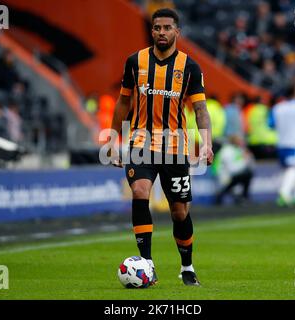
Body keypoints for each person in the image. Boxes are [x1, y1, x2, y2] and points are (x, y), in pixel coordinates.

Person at [107, 8, 213, 286]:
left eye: (167, 28)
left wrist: (207, 143)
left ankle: (187, 266)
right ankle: (147, 263)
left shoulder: (190, 67)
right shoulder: (135, 62)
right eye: (157, 28)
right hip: (140, 142)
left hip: (176, 146)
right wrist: (112, 139)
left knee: (179, 211)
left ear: (177, 32)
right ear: (151, 31)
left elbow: (200, 108)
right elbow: (123, 103)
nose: (161, 33)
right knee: (140, 191)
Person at [213, 135, 254, 205]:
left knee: (247, 174)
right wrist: (245, 161)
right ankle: (221, 194)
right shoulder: (227, 151)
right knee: (246, 175)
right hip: (224, 175)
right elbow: (231, 168)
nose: (242, 142)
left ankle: (242, 197)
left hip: (232, 174)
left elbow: (251, 164)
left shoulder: (238, 149)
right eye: (240, 141)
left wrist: (248, 157)